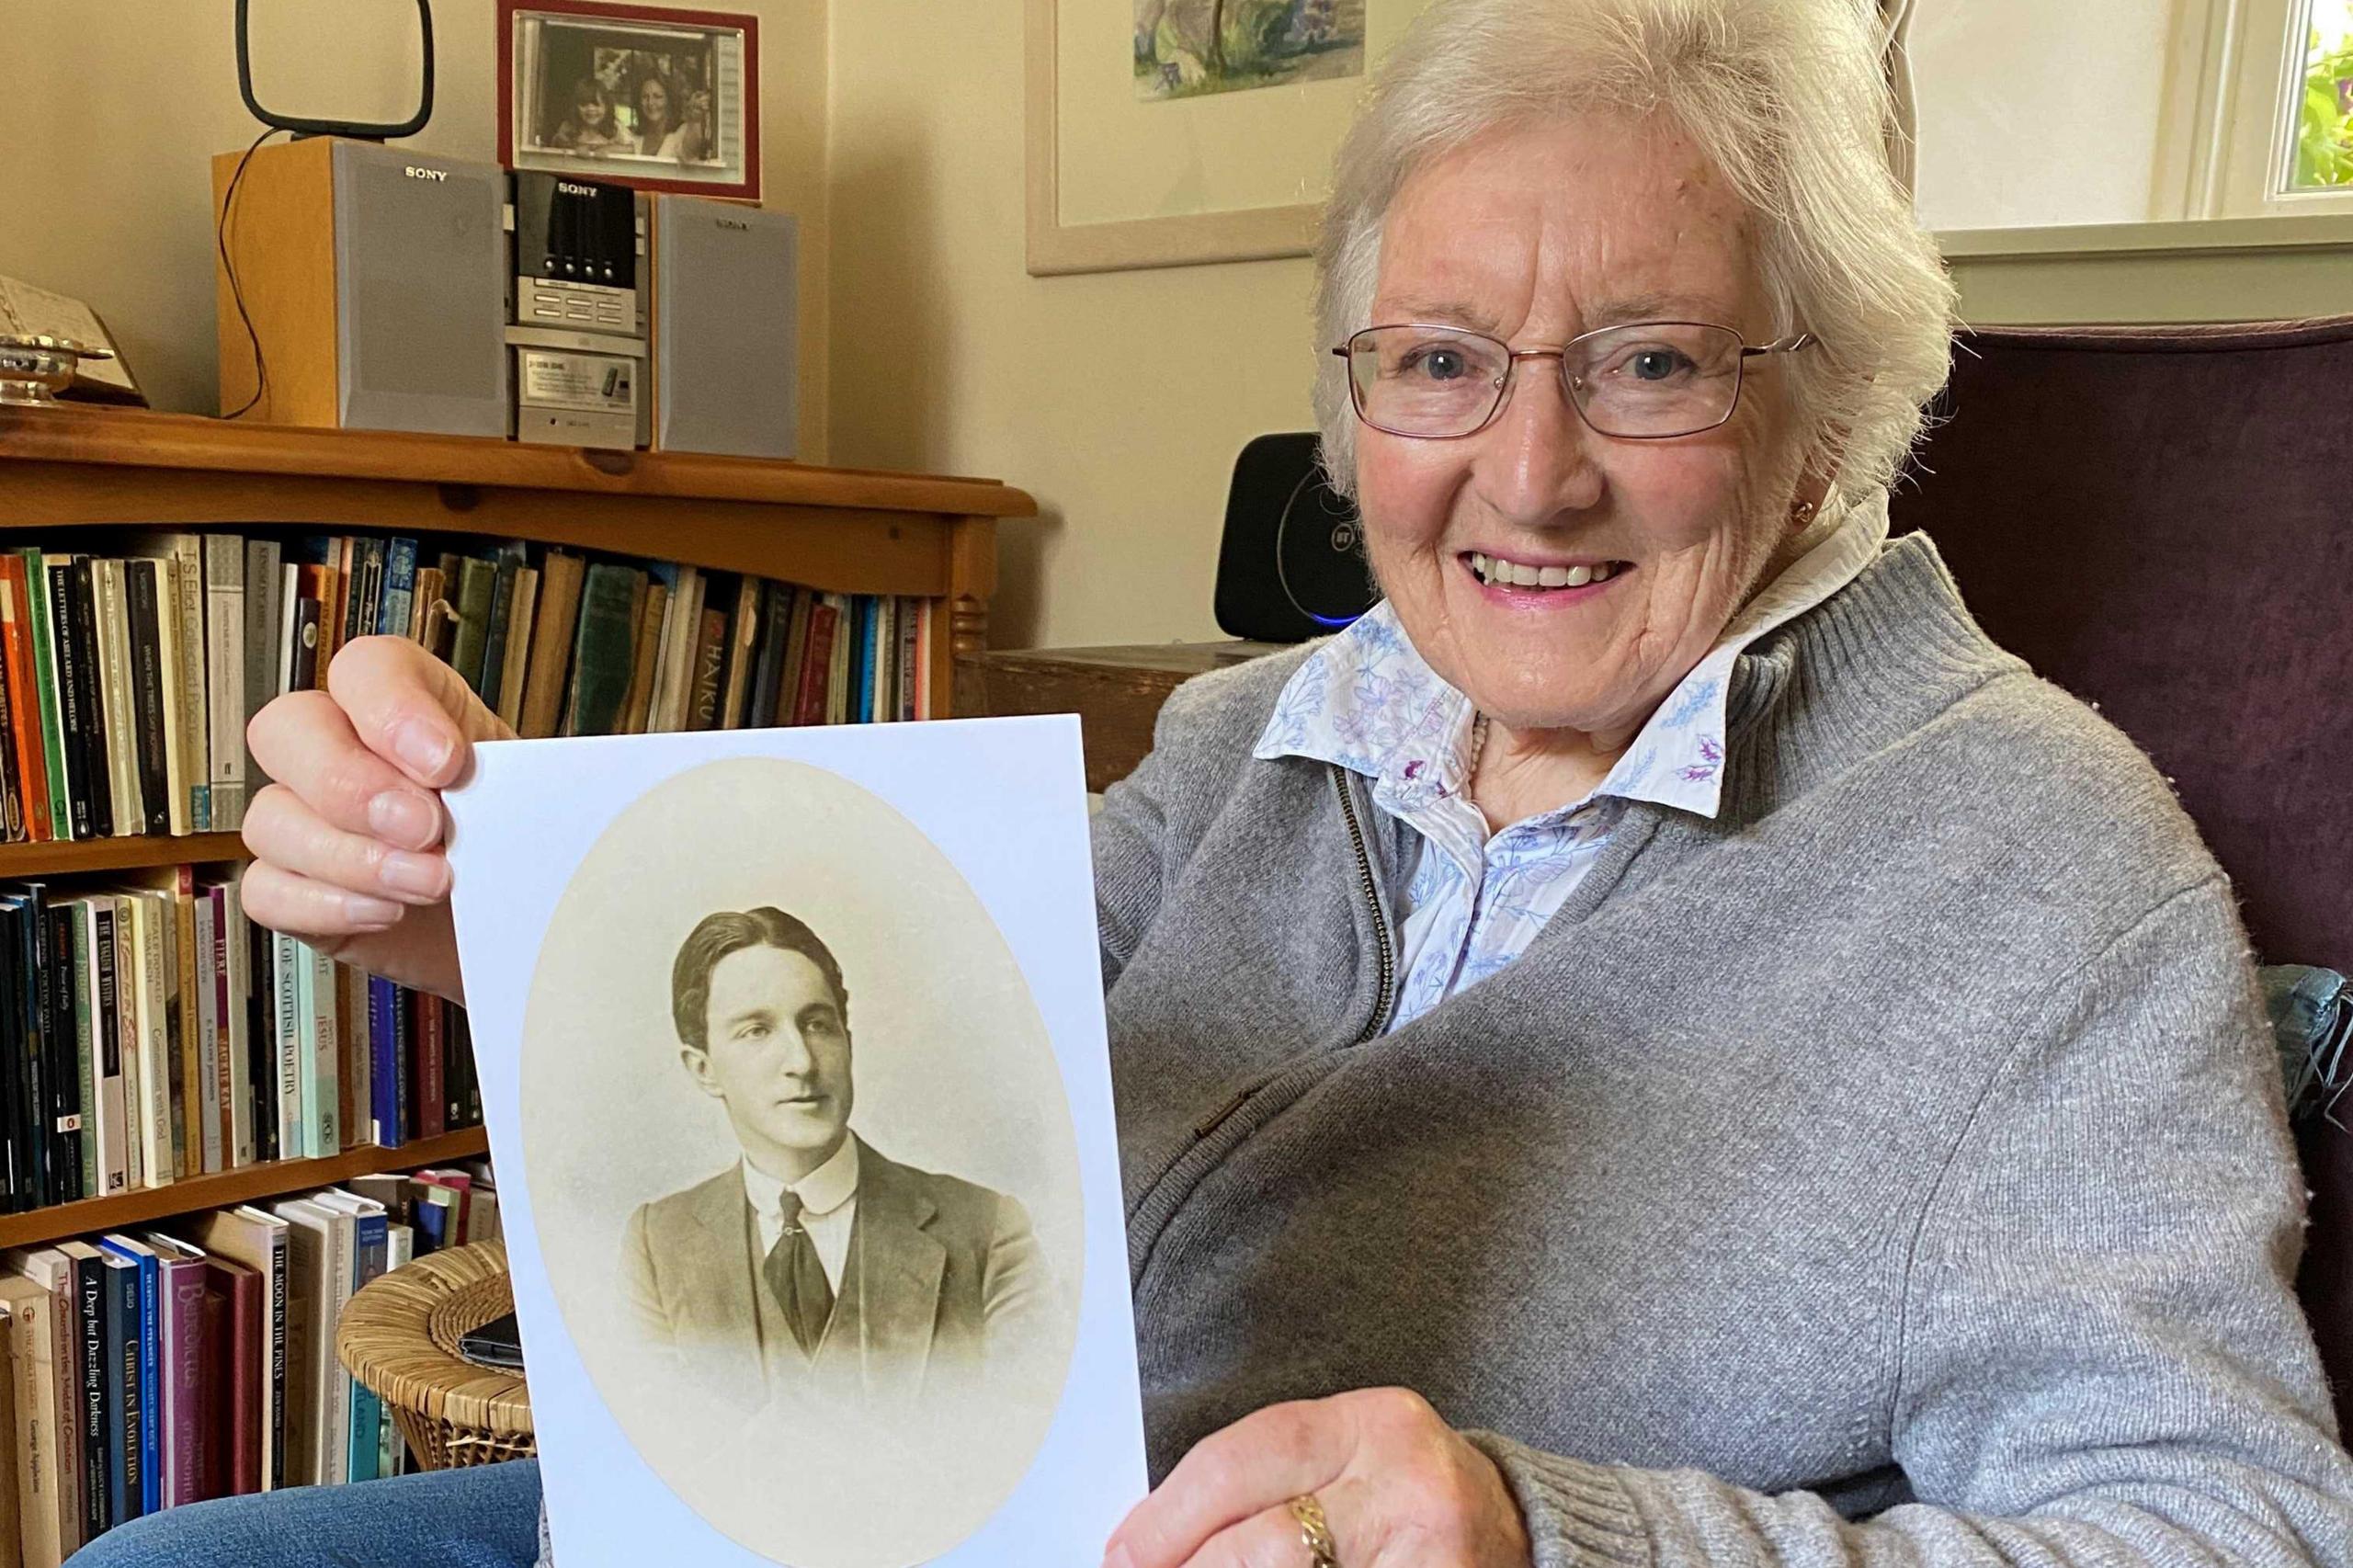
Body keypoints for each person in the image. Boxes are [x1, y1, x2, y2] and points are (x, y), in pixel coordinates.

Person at [81, 0, 2353, 1564]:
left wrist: (1546, 1523)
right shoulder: (1266, 734)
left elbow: (2225, 1525)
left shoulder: (2036, 870)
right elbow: (909, 1036)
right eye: (1439, 362)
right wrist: (470, 896)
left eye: (1652, 361)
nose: (1524, 473)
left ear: (1831, 410)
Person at [620, 906, 1051, 1416]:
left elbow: (1024, 1431)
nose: (802, 1062)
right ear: (704, 1069)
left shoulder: (987, 1229)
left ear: (847, 1041)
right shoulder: (658, 1244)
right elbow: (659, 1441)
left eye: (818, 1024)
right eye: (757, 1031)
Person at [544, 76, 628, 155]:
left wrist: (608, 149)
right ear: (576, 107)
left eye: (596, 105)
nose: (591, 109)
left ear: (607, 106)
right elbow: (558, 142)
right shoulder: (569, 126)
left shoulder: (615, 127)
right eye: (584, 104)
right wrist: (575, 148)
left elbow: (630, 148)